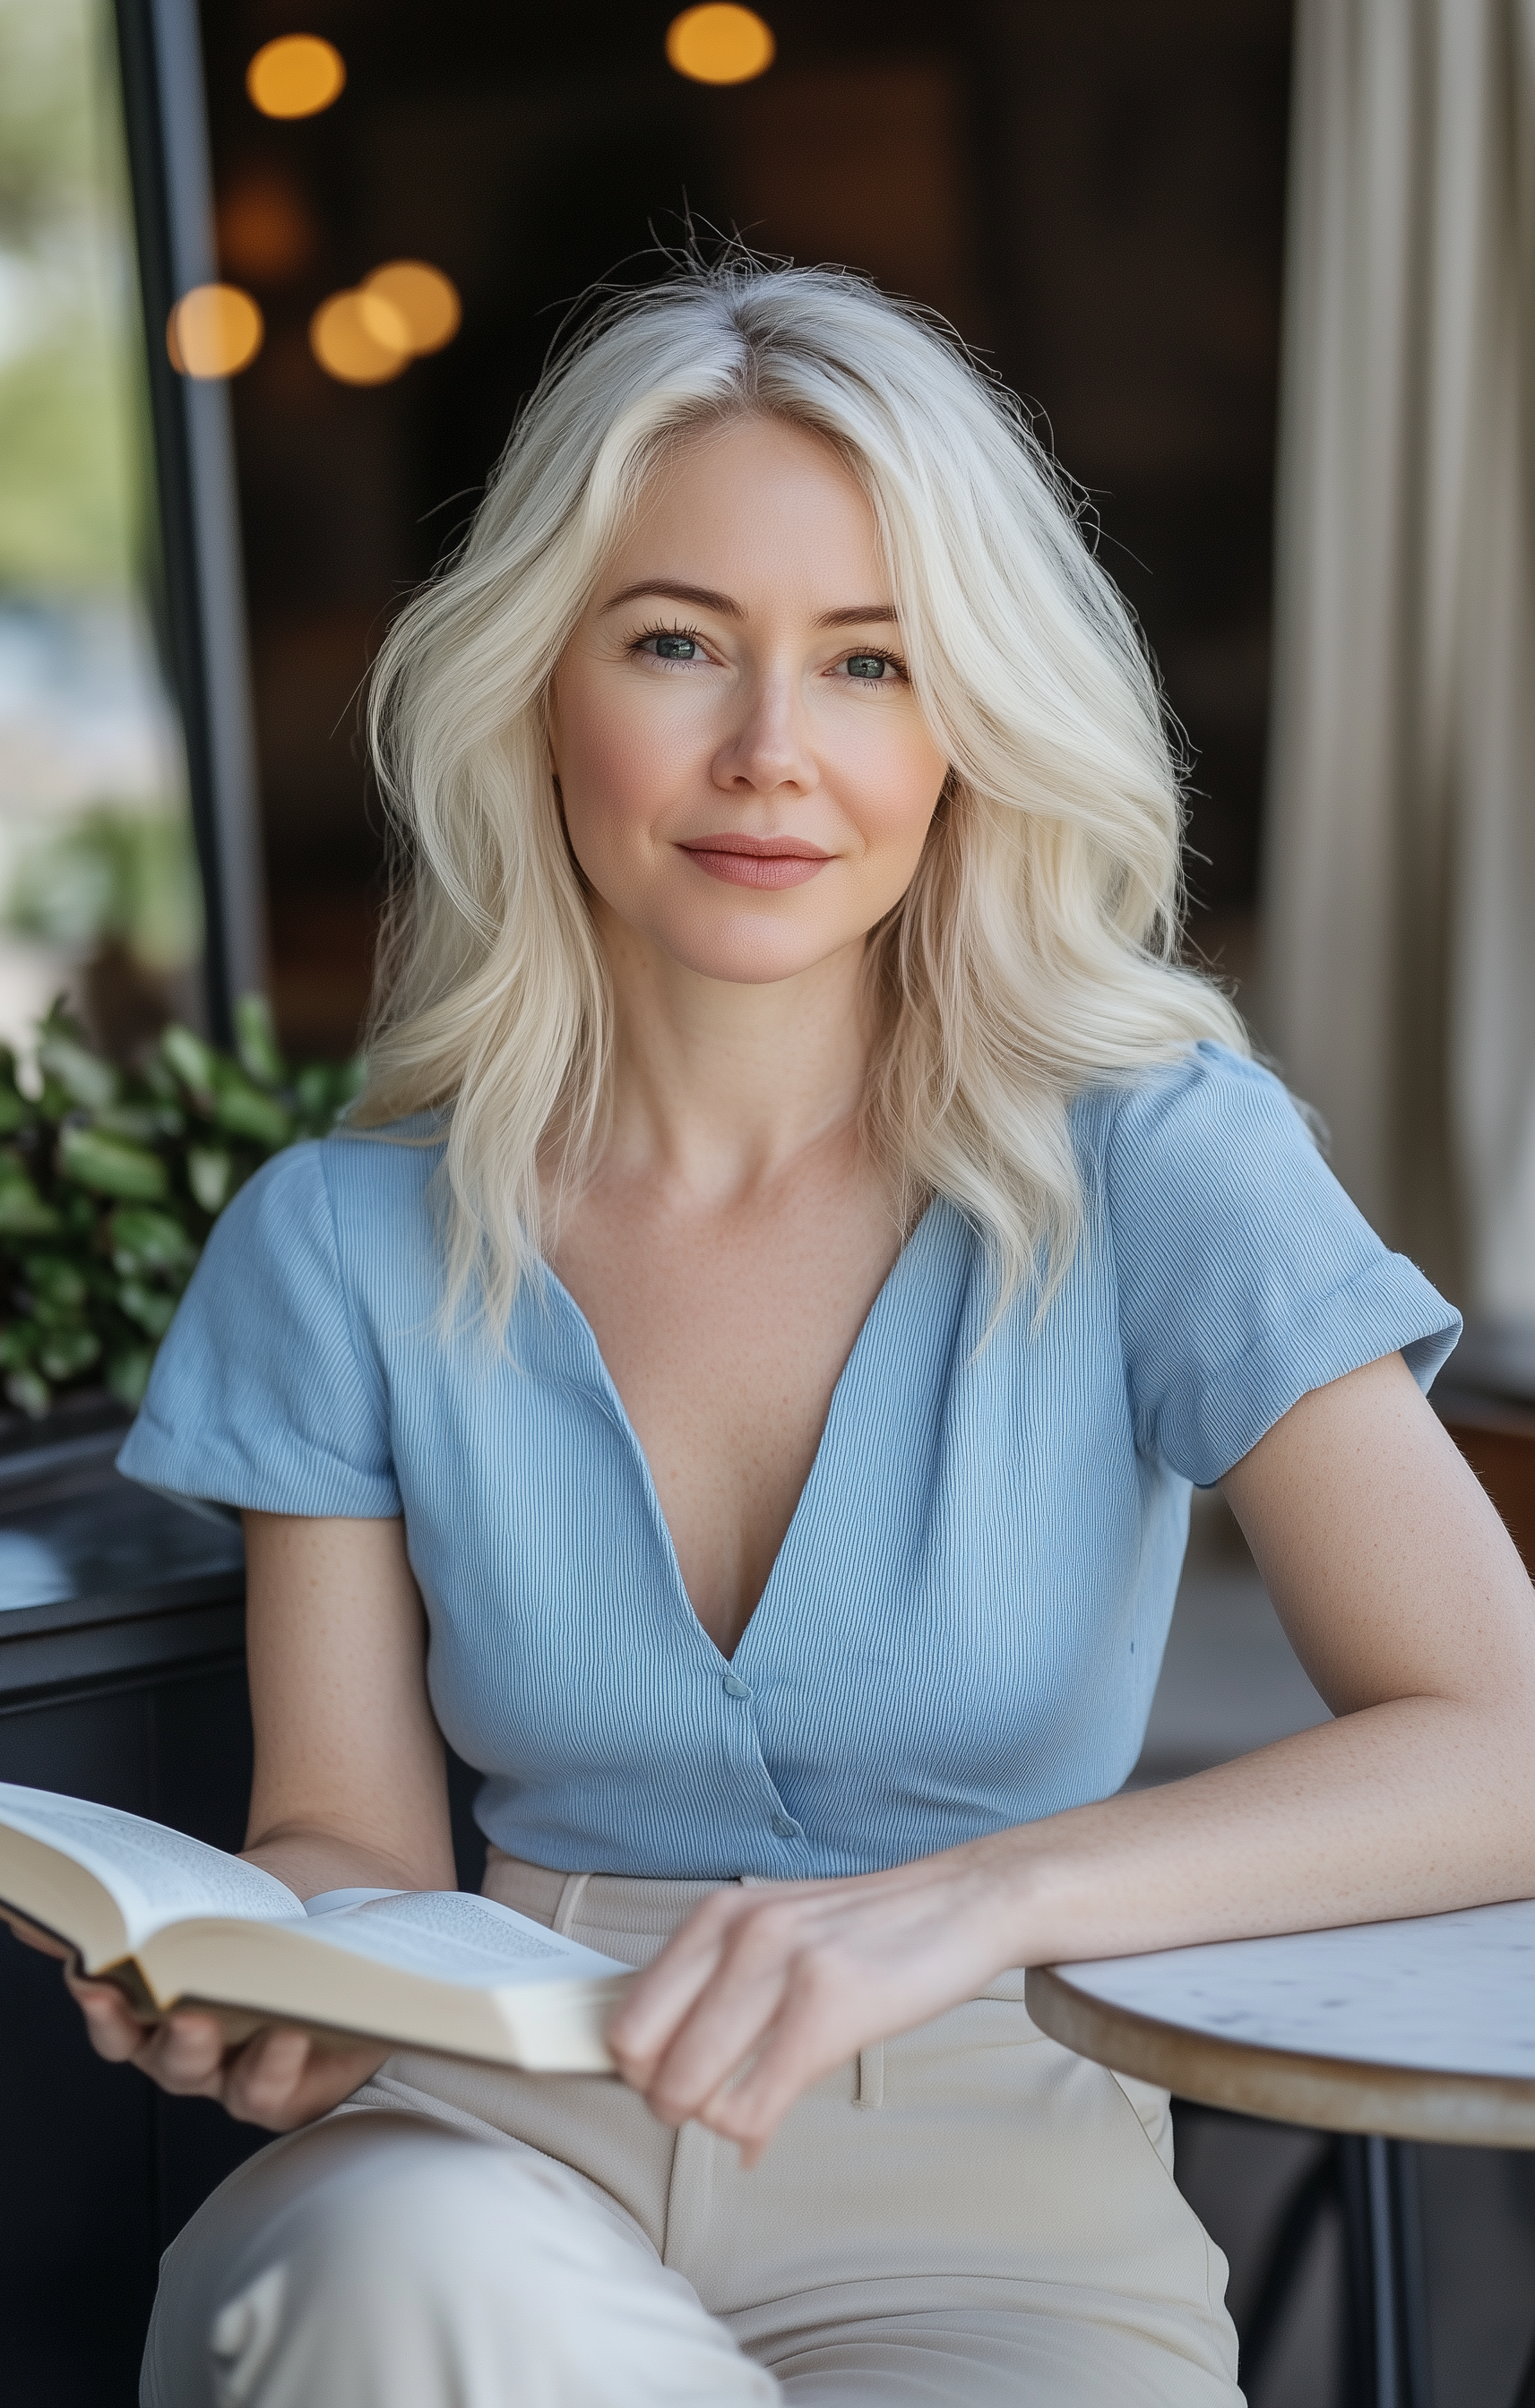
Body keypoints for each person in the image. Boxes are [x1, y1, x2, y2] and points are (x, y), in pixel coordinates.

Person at [87, 263, 1531, 2407]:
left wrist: (963, 1906)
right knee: (398, 2279)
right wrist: (269, 1981)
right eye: (675, 643)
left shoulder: (1156, 1162)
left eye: (867, 661)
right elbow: (351, 1847)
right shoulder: (341, 1240)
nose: (771, 755)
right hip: (479, 2140)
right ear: (536, 684)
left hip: (994, 2178)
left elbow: (1498, 1741)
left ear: (961, 725)